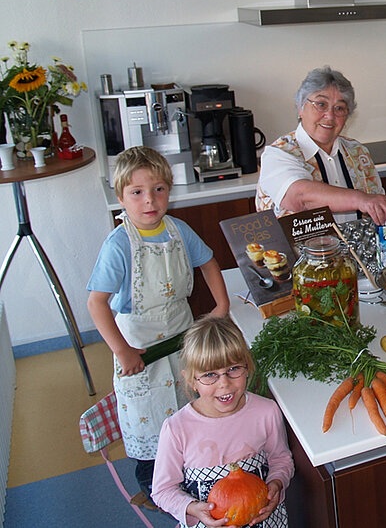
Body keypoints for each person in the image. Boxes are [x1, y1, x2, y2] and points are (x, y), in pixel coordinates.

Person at [87, 146, 230, 507]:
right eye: (137, 192)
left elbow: (209, 262)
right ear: (121, 197)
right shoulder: (119, 245)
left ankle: (191, 473)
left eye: (158, 190)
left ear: (169, 190)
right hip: (140, 350)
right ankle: (154, 490)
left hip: (182, 341)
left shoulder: (179, 230)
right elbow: (96, 303)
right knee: (148, 422)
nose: (149, 201)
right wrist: (122, 351)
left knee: (189, 408)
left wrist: (222, 306)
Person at [152, 316, 294, 527]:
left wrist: (276, 483)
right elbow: (163, 490)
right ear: (192, 380)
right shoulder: (177, 429)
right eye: (210, 375)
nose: (224, 384)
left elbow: (281, 460)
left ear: (248, 367)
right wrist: (192, 508)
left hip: (264, 520)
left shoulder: (266, 412)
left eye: (234, 369)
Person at [256, 66, 386, 225]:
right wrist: (361, 199)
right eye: (321, 104)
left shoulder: (358, 152)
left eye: (339, 108)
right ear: (300, 108)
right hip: (296, 250)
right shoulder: (278, 154)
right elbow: (299, 197)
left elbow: (377, 209)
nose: (330, 116)